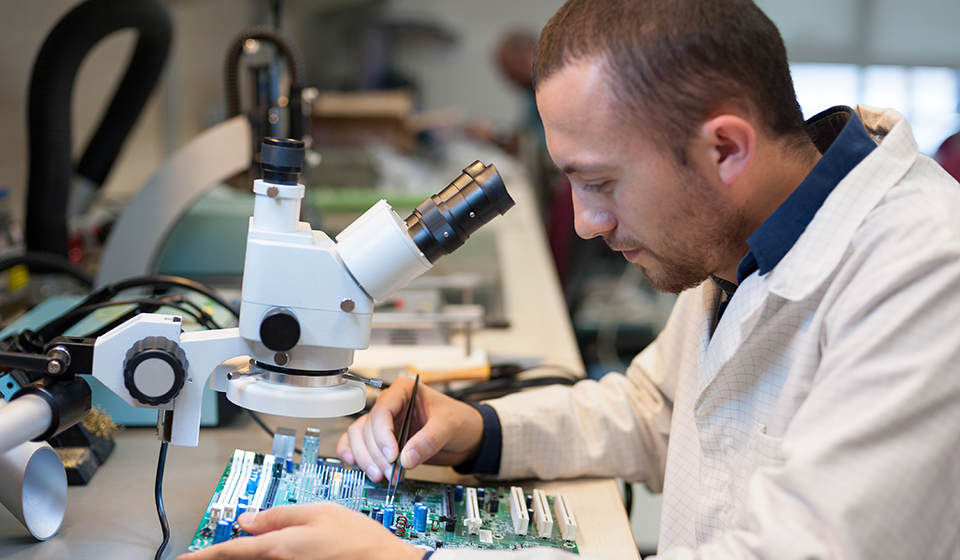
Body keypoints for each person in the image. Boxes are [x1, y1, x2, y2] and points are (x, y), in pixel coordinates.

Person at [180, 0, 960, 559]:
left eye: (603, 183)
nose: (586, 222)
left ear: (726, 149)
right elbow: (658, 409)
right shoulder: (748, 232)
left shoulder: (926, 274)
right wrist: (480, 432)